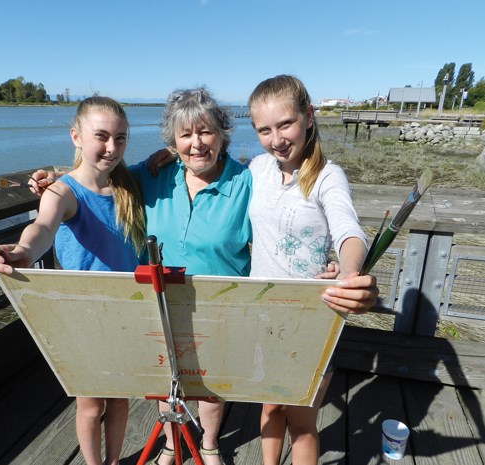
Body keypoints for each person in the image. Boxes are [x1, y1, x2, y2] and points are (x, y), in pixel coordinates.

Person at [29, 86, 378, 465]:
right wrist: (53, 179)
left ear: (223, 134)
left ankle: (209, 443)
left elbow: (310, 218)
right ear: (172, 140)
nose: (197, 144)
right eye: (185, 135)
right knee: (165, 380)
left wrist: (337, 268)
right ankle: (169, 443)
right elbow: (96, 178)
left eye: (206, 132)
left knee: (213, 385)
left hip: (220, 301)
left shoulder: (247, 180)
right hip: (162, 299)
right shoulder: (152, 175)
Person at [0, 96, 146, 465]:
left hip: (126, 311)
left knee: (119, 399)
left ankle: (114, 460)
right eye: (100, 136)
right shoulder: (62, 190)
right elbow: (42, 226)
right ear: (76, 136)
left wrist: (165, 154)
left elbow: (161, 156)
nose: (111, 147)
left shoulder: (128, 186)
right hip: (84, 316)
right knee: (90, 404)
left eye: (120, 138)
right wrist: (25, 250)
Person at [247, 74, 373, 465]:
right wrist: (163, 158)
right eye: (263, 129)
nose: (276, 139)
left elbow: (350, 231)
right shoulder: (255, 168)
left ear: (308, 117)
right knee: (269, 410)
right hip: (263, 313)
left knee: (302, 422)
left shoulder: (327, 176)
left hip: (311, 317)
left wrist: (348, 273)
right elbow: (207, 166)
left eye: (285, 124)